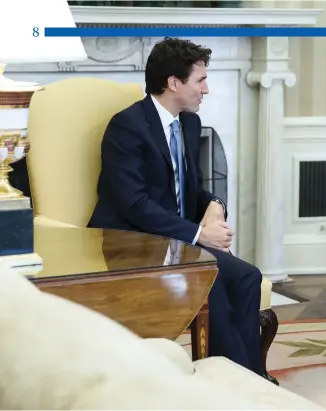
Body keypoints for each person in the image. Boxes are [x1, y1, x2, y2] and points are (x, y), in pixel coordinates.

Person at [88, 37, 263, 376]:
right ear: (173, 83)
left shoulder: (189, 122)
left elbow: (193, 187)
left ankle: (251, 379)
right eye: (200, 80)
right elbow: (135, 204)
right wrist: (200, 234)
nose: (207, 89)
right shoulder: (126, 127)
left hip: (177, 243)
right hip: (132, 244)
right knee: (211, 286)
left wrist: (215, 204)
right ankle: (227, 384)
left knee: (246, 276)